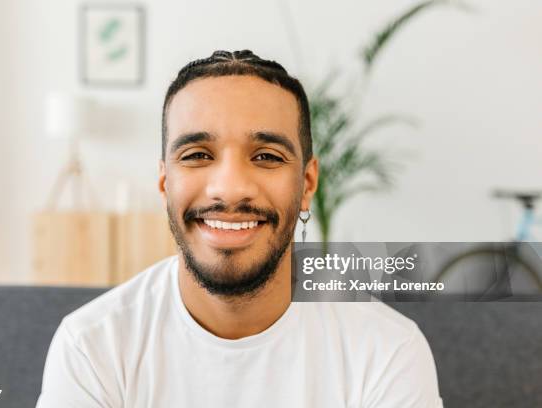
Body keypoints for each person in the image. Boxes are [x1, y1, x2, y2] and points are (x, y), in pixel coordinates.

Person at [36, 50, 443, 407]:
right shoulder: (92, 346)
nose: (229, 188)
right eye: (197, 155)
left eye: (266, 156)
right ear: (165, 183)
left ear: (307, 184)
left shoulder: (387, 350)